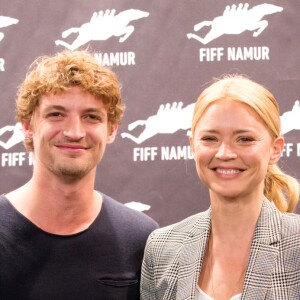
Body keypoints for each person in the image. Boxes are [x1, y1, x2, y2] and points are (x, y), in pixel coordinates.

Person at [0, 50, 158, 300]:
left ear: (111, 130)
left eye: (91, 117)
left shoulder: (141, 238)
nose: (74, 132)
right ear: (28, 125)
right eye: (56, 115)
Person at [141, 75, 300, 299]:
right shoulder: (162, 249)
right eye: (210, 139)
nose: (225, 153)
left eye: (244, 139)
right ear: (193, 146)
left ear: (275, 149)